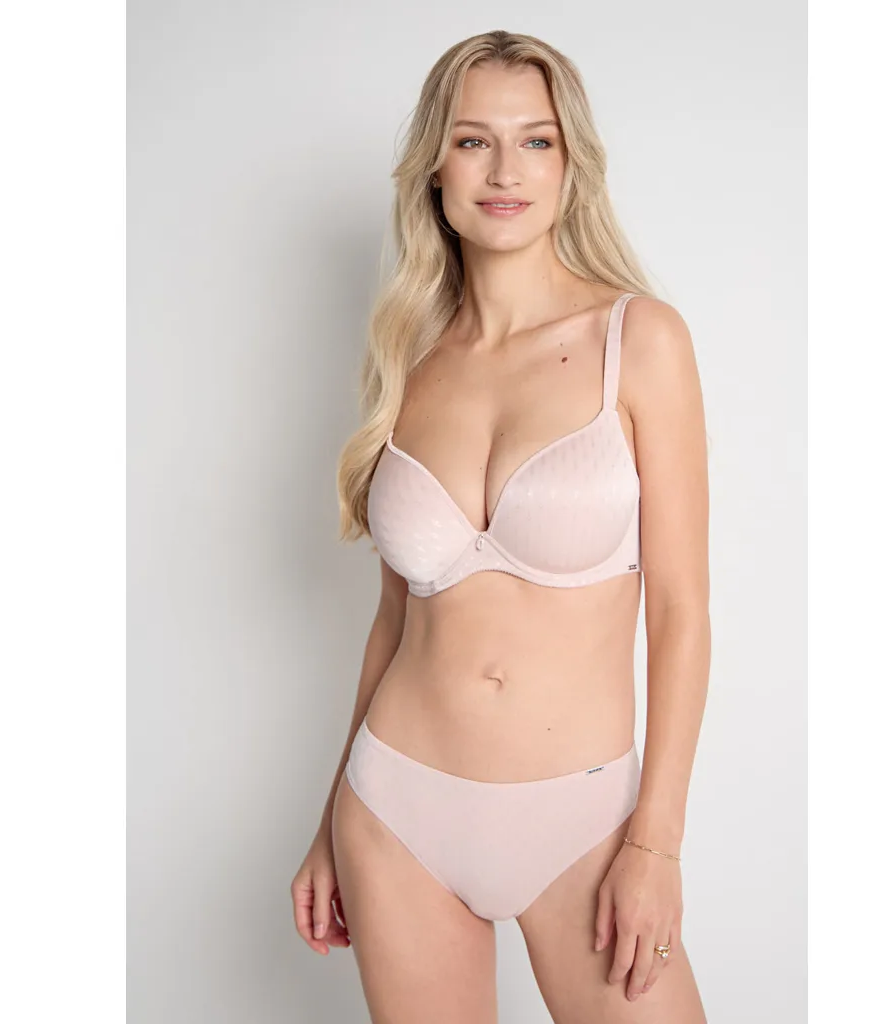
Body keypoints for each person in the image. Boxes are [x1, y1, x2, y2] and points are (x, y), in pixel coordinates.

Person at [291, 29, 711, 1023]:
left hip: (584, 820)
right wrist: (329, 818)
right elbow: (396, 620)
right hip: (395, 809)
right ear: (435, 167)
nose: (506, 170)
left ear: (571, 164)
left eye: (537, 141)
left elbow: (683, 612)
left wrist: (655, 842)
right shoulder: (409, 359)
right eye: (474, 140)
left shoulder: (639, 341)